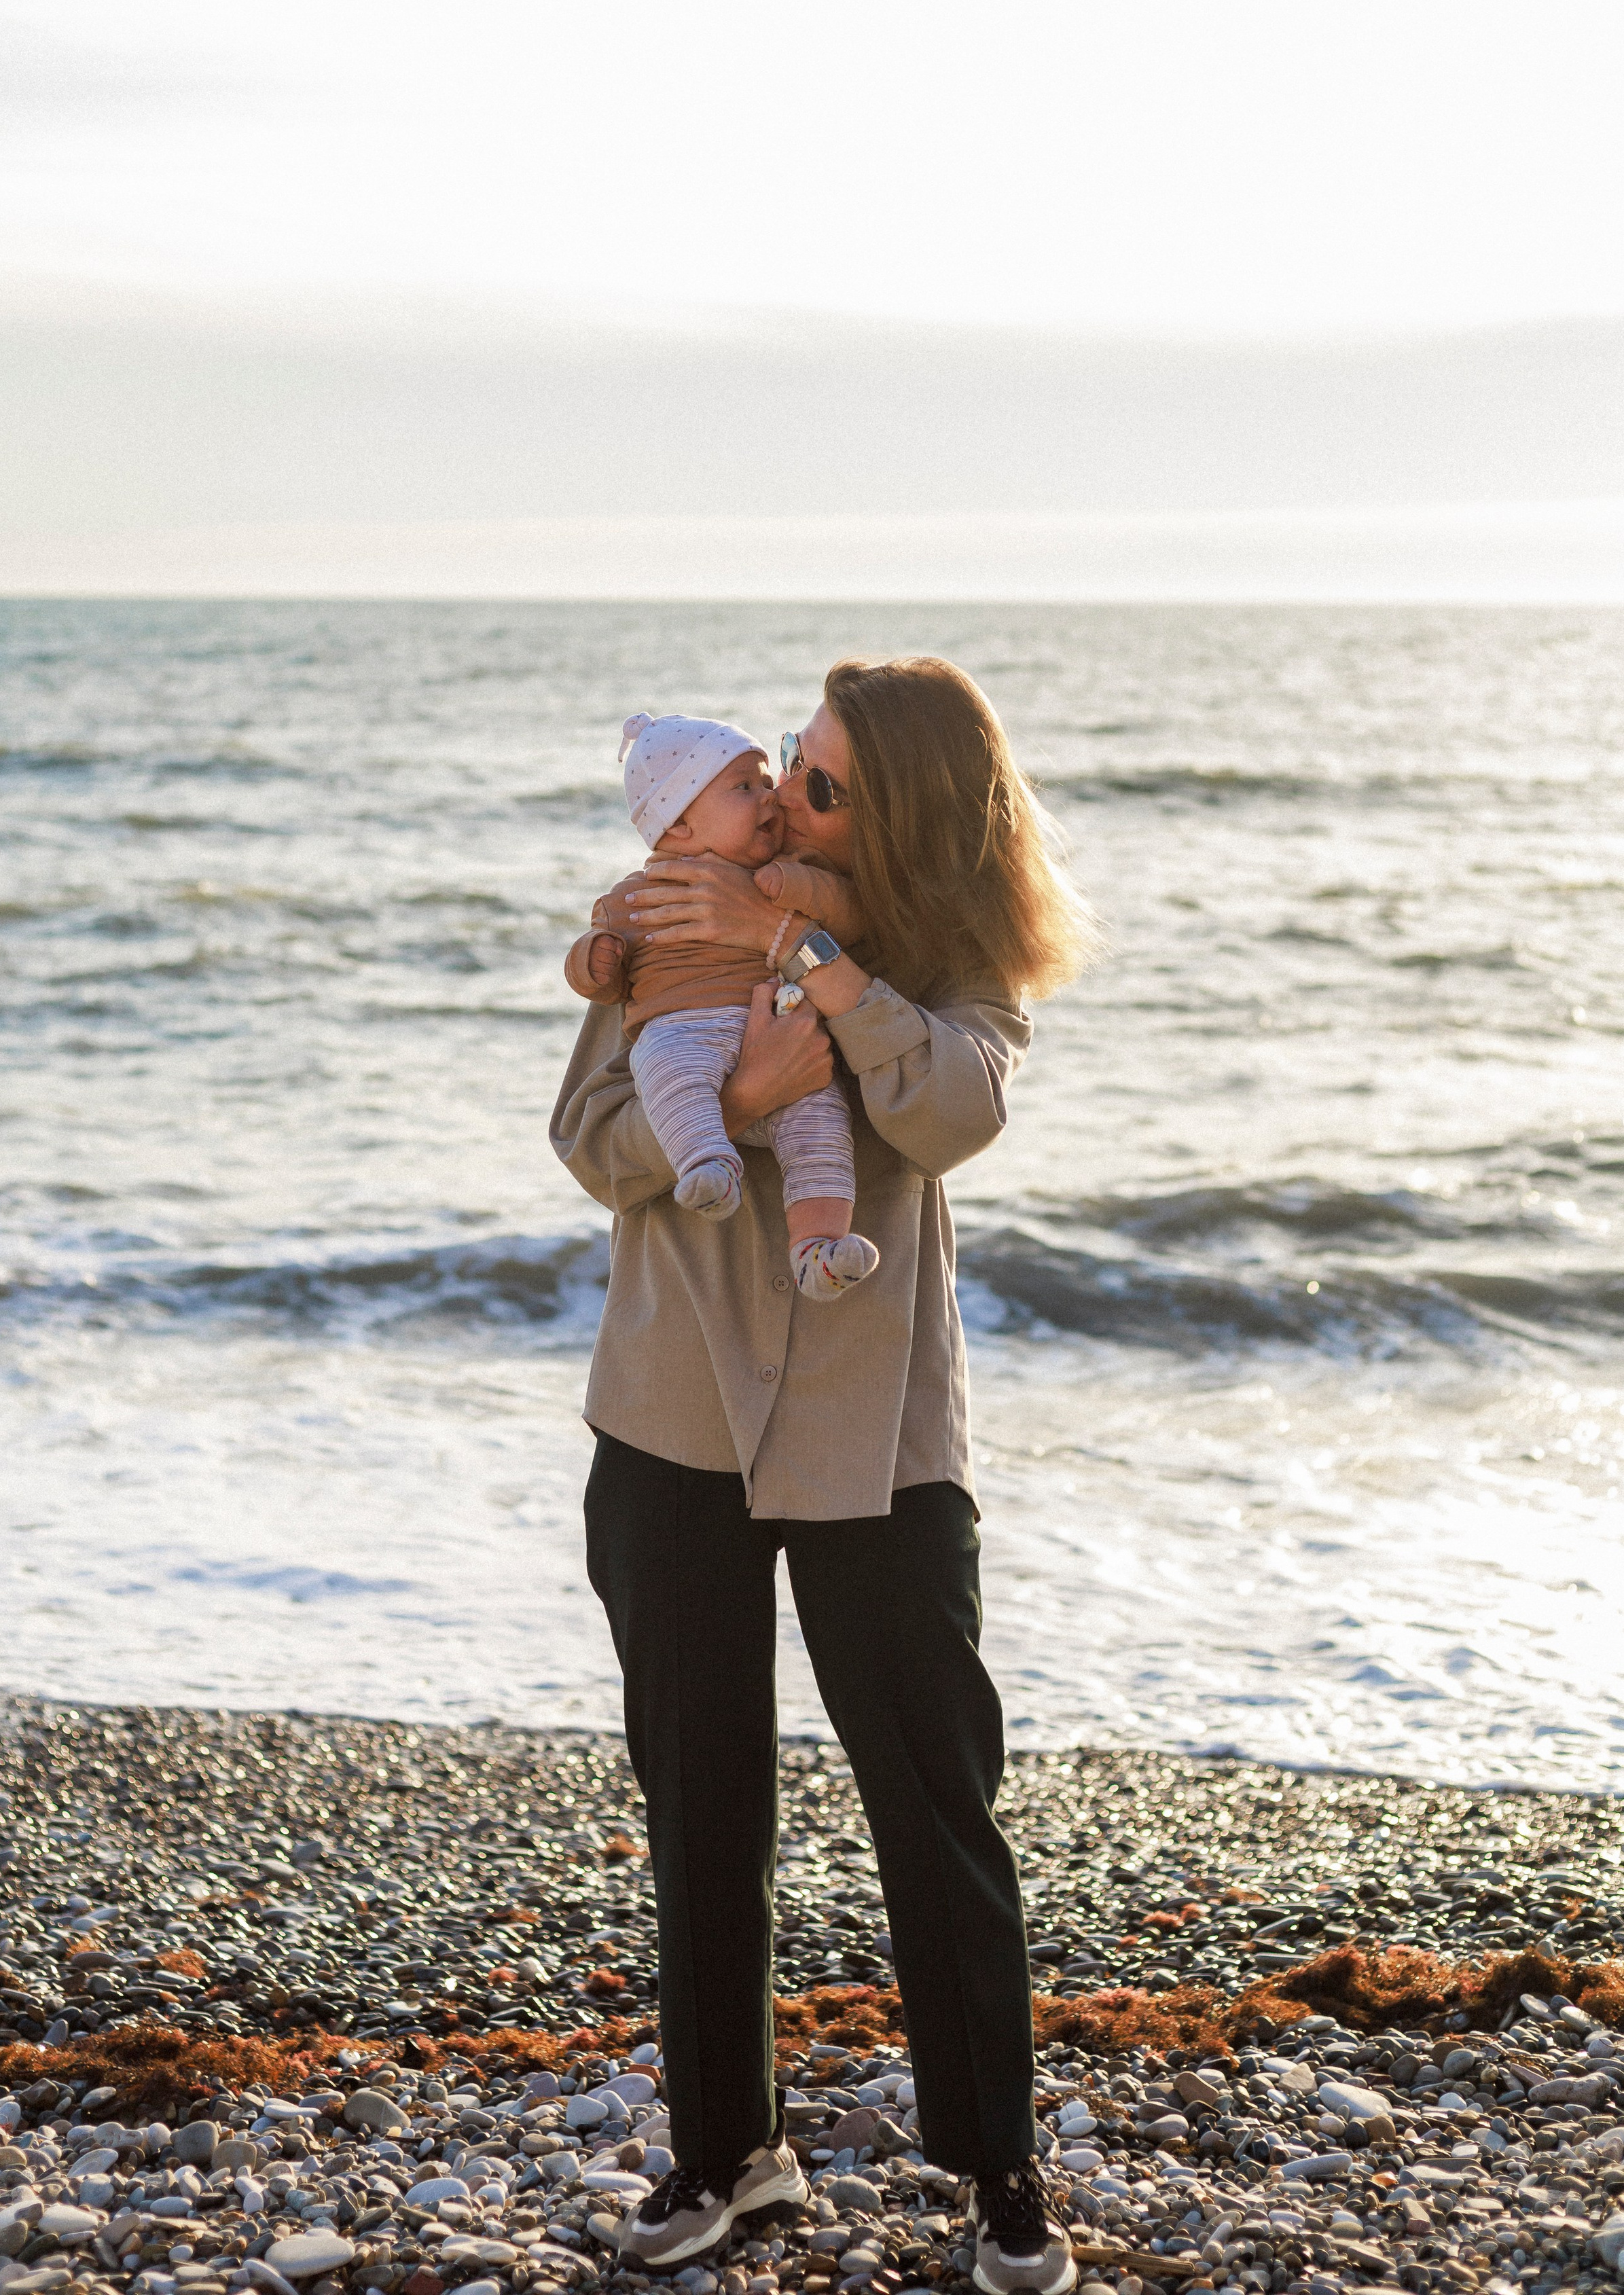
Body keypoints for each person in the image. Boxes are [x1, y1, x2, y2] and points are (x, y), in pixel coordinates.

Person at [549, 656, 1094, 2295]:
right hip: (669, 1415)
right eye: (789, 758)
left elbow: (953, 1110)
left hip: (879, 1443)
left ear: (907, 814)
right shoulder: (667, 899)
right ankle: (726, 2153)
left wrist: (816, 970)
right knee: (699, 1796)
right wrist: (728, 1095)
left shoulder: (947, 958)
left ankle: (999, 2173)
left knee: (934, 1797)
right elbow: (587, 1129)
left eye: (826, 780)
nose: (786, 790)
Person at [563, 708, 877, 1299]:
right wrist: (595, 960)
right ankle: (708, 1163)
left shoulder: (789, 871)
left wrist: (797, 894)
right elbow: (599, 972)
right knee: (666, 1071)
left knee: (822, 1127)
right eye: (744, 787)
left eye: (765, 780)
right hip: (684, 1031)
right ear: (678, 827)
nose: (769, 797)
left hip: (783, 1028)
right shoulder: (637, 898)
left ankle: (817, 1248)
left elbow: (852, 915)